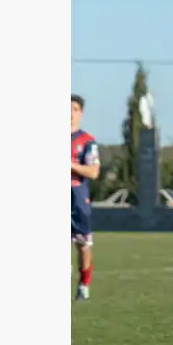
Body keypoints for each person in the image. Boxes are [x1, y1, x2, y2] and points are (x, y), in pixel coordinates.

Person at [71, 94, 101, 301]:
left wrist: (70, 165)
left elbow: (93, 172)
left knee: (83, 245)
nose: (69, 113)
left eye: (74, 109)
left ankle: (84, 284)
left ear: (80, 113)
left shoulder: (87, 141)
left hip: (77, 199)